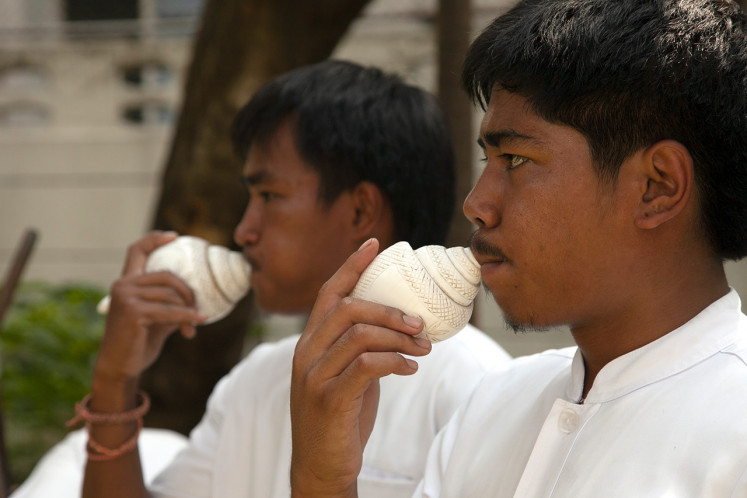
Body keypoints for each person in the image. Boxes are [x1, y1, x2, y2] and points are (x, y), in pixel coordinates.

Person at [288, 1, 747, 496]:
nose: (477, 204)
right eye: (489, 157)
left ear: (656, 187)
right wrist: (322, 479)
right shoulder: (493, 406)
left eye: (517, 159)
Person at [65, 60, 510, 498]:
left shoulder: (476, 387)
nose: (244, 230)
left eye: (269, 196)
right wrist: (114, 383)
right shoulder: (255, 382)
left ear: (360, 210)